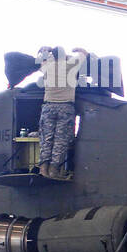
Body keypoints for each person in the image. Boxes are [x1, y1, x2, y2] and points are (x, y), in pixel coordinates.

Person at [35, 45, 89, 180]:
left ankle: (43, 169)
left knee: (46, 139)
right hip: (65, 107)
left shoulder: (47, 66)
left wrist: (45, 50)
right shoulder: (71, 65)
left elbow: (40, 58)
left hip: (48, 107)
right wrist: (76, 50)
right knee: (60, 141)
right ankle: (54, 171)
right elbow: (84, 54)